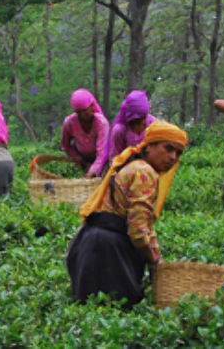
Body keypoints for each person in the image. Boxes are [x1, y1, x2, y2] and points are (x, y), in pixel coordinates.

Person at [66, 120, 188, 308]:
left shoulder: (135, 165)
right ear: (149, 147)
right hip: (109, 251)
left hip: (90, 242)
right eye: (168, 148)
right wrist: (154, 260)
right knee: (118, 311)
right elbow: (138, 231)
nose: (172, 157)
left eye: (178, 153)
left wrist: (157, 255)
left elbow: (145, 225)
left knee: (91, 312)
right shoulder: (144, 172)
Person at [94, 90, 156, 178]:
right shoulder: (120, 130)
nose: (142, 124)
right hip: (125, 171)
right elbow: (115, 158)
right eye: (137, 122)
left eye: (143, 119)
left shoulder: (152, 124)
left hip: (148, 168)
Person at [61, 89, 109, 177]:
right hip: (80, 158)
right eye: (79, 112)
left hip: (100, 159)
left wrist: (91, 172)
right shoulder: (69, 123)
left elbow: (102, 154)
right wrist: (79, 160)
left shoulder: (101, 123)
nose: (83, 116)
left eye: (85, 111)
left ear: (92, 106)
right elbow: (65, 146)